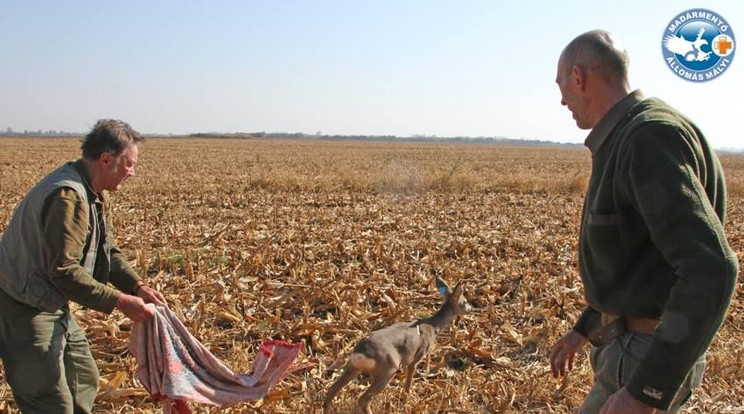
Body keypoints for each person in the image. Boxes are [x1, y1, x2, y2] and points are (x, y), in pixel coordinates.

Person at [549, 30, 738, 414]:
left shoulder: (648, 138)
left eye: (562, 85)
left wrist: (646, 390)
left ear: (578, 76)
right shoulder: (633, 134)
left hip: (643, 355)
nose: (562, 99)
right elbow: (639, 258)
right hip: (631, 350)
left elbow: (711, 268)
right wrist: (586, 328)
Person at [0, 119, 167, 413]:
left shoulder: (93, 193)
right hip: (22, 303)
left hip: (48, 298)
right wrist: (121, 301)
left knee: (83, 379)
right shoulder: (68, 197)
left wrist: (137, 286)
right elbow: (64, 271)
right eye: (129, 164)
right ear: (106, 159)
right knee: (49, 401)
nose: (132, 172)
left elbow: (107, 251)